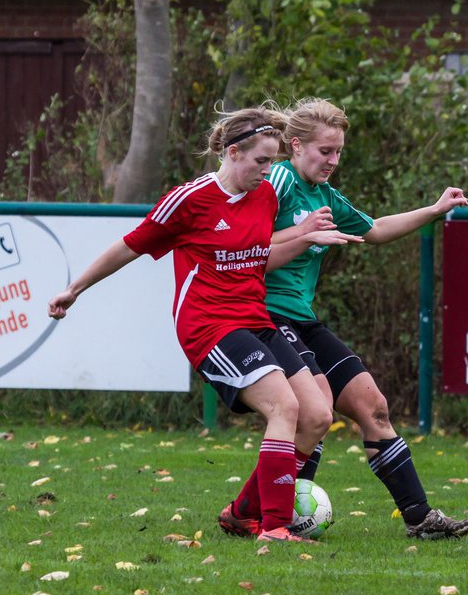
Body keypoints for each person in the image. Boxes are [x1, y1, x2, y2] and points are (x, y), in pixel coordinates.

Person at [49, 105, 357, 543]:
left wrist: (305, 238)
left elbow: (259, 258)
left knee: (316, 415)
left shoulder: (265, 196)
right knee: (283, 408)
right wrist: (75, 288)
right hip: (209, 328)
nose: (268, 171)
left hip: (255, 320)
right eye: (261, 161)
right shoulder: (189, 200)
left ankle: (242, 513)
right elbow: (128, 246)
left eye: (272, 161)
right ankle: (273, 528)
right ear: (233, 153)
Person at [217, 97, 468, 541]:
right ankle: (259, 511)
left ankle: (420, 519)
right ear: (295, 146)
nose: (333, 160)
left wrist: (434, 210)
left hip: (304, 318)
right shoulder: (276, 180)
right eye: (325, 151)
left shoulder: (325, 195)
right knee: (313, 409)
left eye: (338, 152)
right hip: (265, 313)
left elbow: (373, 231)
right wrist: (303, 235)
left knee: (372, 405)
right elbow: (247, 250)